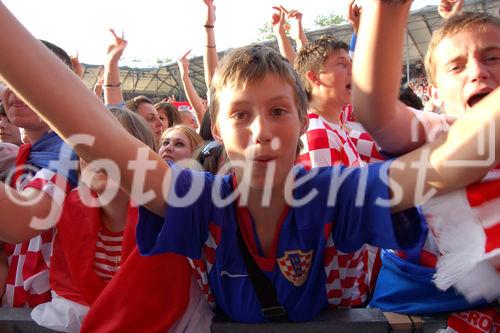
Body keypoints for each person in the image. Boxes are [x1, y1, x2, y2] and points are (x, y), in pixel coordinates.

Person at [0, 4, 499, 325]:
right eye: (240, 114)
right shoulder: (196, 199)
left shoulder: (336, 191)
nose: (261, 131)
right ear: (215, 129)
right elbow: (87, 125)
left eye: (278, 111)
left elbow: (450, 163)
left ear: (303, 122)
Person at [351, 0, 499, 324]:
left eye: (493, 58)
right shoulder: (439, 132)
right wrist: (387, 10)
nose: (478, 72)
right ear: (434, 90)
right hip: (412, 319)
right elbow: (376, 112)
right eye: (456, 67)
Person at [29, 109, 198, 333]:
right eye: (85, 146)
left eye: (108, 144)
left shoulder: (169, 214)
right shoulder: (68, 210)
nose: (94, 155)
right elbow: (69, 292)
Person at [0, 39, 79, 308]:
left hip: (54, 315)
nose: (14, 91)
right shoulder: (27, 152)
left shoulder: (70, 147)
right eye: (8, 80)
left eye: (27, 78)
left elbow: (23, 221)